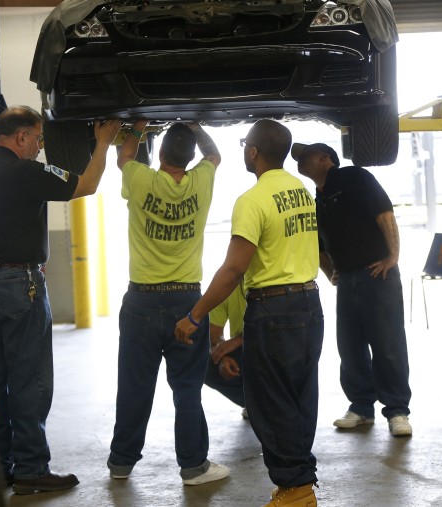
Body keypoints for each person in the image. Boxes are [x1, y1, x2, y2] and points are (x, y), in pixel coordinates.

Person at [0, 106, 122, 494]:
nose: (39, 147)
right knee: (29, 381)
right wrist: (103, 144)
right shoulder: (28, 172)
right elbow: (87, 185)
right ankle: (31, 469)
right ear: (21, 138)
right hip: (20, 285)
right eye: (38, 139)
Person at [175, 119, 323, 507]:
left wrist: (196, 315)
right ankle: (300, 486)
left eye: (245, 144)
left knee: (270, 403)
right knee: (300, 397)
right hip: (309, 303)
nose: (244, 150)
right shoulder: (302, 190)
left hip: (273, 309)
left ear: (254, 152)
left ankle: (295, 490)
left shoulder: (252, 200)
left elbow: (233, 269)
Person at [107, 120, 230, 486]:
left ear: (160, 153)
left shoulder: (141, 178)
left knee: (134, 386)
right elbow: (215, 155)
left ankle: (121, 463)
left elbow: (125, 155)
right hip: (187, 301)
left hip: (141, 301)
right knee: (188, 387)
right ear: (191, 158)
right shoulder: (202, 179)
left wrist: (140, 126)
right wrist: (196, 126)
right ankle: (193, 467)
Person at [292, 142, 412, 437]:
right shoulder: (315, 199)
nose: (299, 161)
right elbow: (318, 246)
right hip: (347, 279)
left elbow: (384, 214)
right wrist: (331, 273)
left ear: (325, 159)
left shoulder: (355, 177)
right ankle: (360, 407)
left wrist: (393, 257)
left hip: (377, 274)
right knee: (350, 346)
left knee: (388, 344)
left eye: (305, 156)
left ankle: (397, 411)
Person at [204, 284, 247, 417]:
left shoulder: (270, 280)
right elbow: (214, 333)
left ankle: (271, 405)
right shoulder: (227, 283)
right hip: (244, 350)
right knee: (202, 364)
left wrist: (237, 340)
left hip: (274, 345)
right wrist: (222, 356)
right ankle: (252, 404)